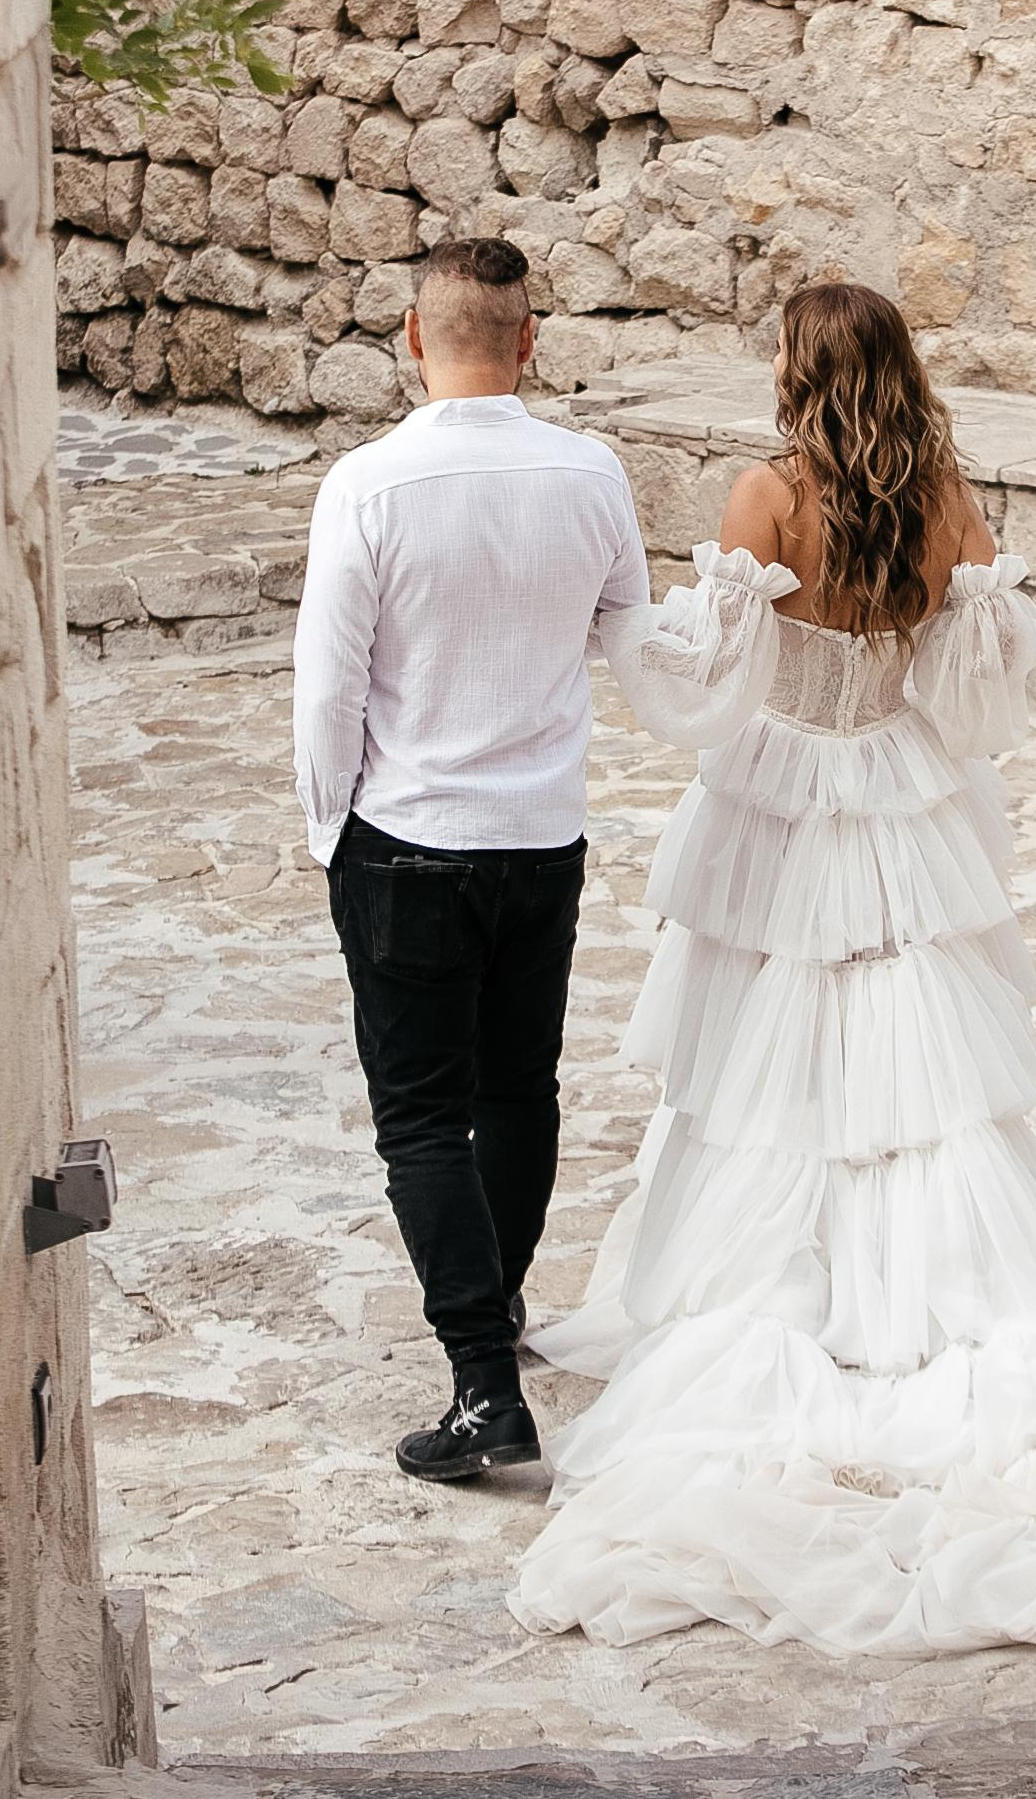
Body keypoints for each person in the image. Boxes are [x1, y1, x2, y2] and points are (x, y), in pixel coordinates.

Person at [513, 278, 1036, 1654]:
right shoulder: (941, 496)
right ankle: (929, 1279)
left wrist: (624, 634)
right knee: (914, 1046)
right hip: (900, 788)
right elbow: (973, 697)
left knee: (765, 1045)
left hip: (781, 792)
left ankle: (796, 1280)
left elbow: (709, 689)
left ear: (799, 366)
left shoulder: (762, 498)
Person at [292, 235, 649, 1483]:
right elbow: (629, 633)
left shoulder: (368, 487)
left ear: (411, 336)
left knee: (424, 1121)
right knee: (518, 1093)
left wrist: (329, 828)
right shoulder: (591, 473)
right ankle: (491, 1320)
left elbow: (328, 694)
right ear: (530, 340)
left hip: (408, 842)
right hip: (542, 839)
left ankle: (483, 1386)